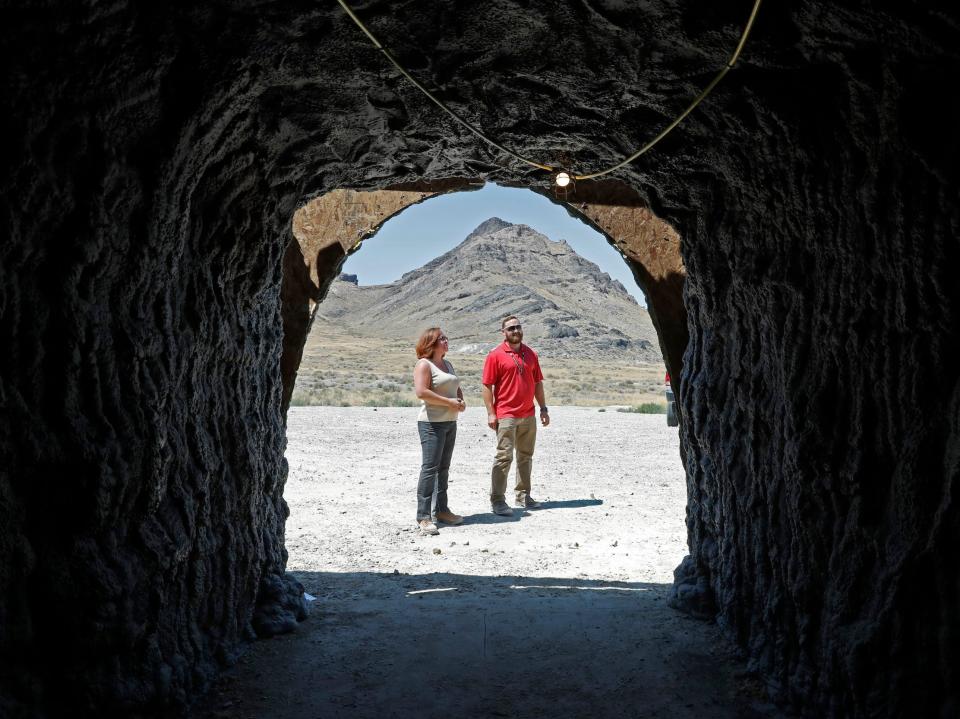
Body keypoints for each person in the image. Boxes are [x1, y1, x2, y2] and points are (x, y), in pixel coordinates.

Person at [481, 315, 550, 516]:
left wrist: (543, 408)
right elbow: (487, 386)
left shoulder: (531, 354)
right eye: (511, 328)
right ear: (503, 333)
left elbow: (537, 382)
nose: (515, 331)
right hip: (506, 414)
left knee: (526, 456)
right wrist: (491, 413)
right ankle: (497, 500)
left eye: (518, 327)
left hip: (528, 414)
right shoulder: (495, 355)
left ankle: (523, 495)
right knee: (504, 457)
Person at [413, 327, 466, 535]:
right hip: (431, 423)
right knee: (430, 468)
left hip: (450, 422)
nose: (446, 340)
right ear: (431, 343)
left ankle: (442, 510)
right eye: (441, 338)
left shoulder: (448, 364)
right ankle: (423, 516)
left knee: (443, 468)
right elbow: (421, 392)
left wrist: (460, 401)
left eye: (446, 337)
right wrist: (449, 402)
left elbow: (455, 386)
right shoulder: (424, 364)